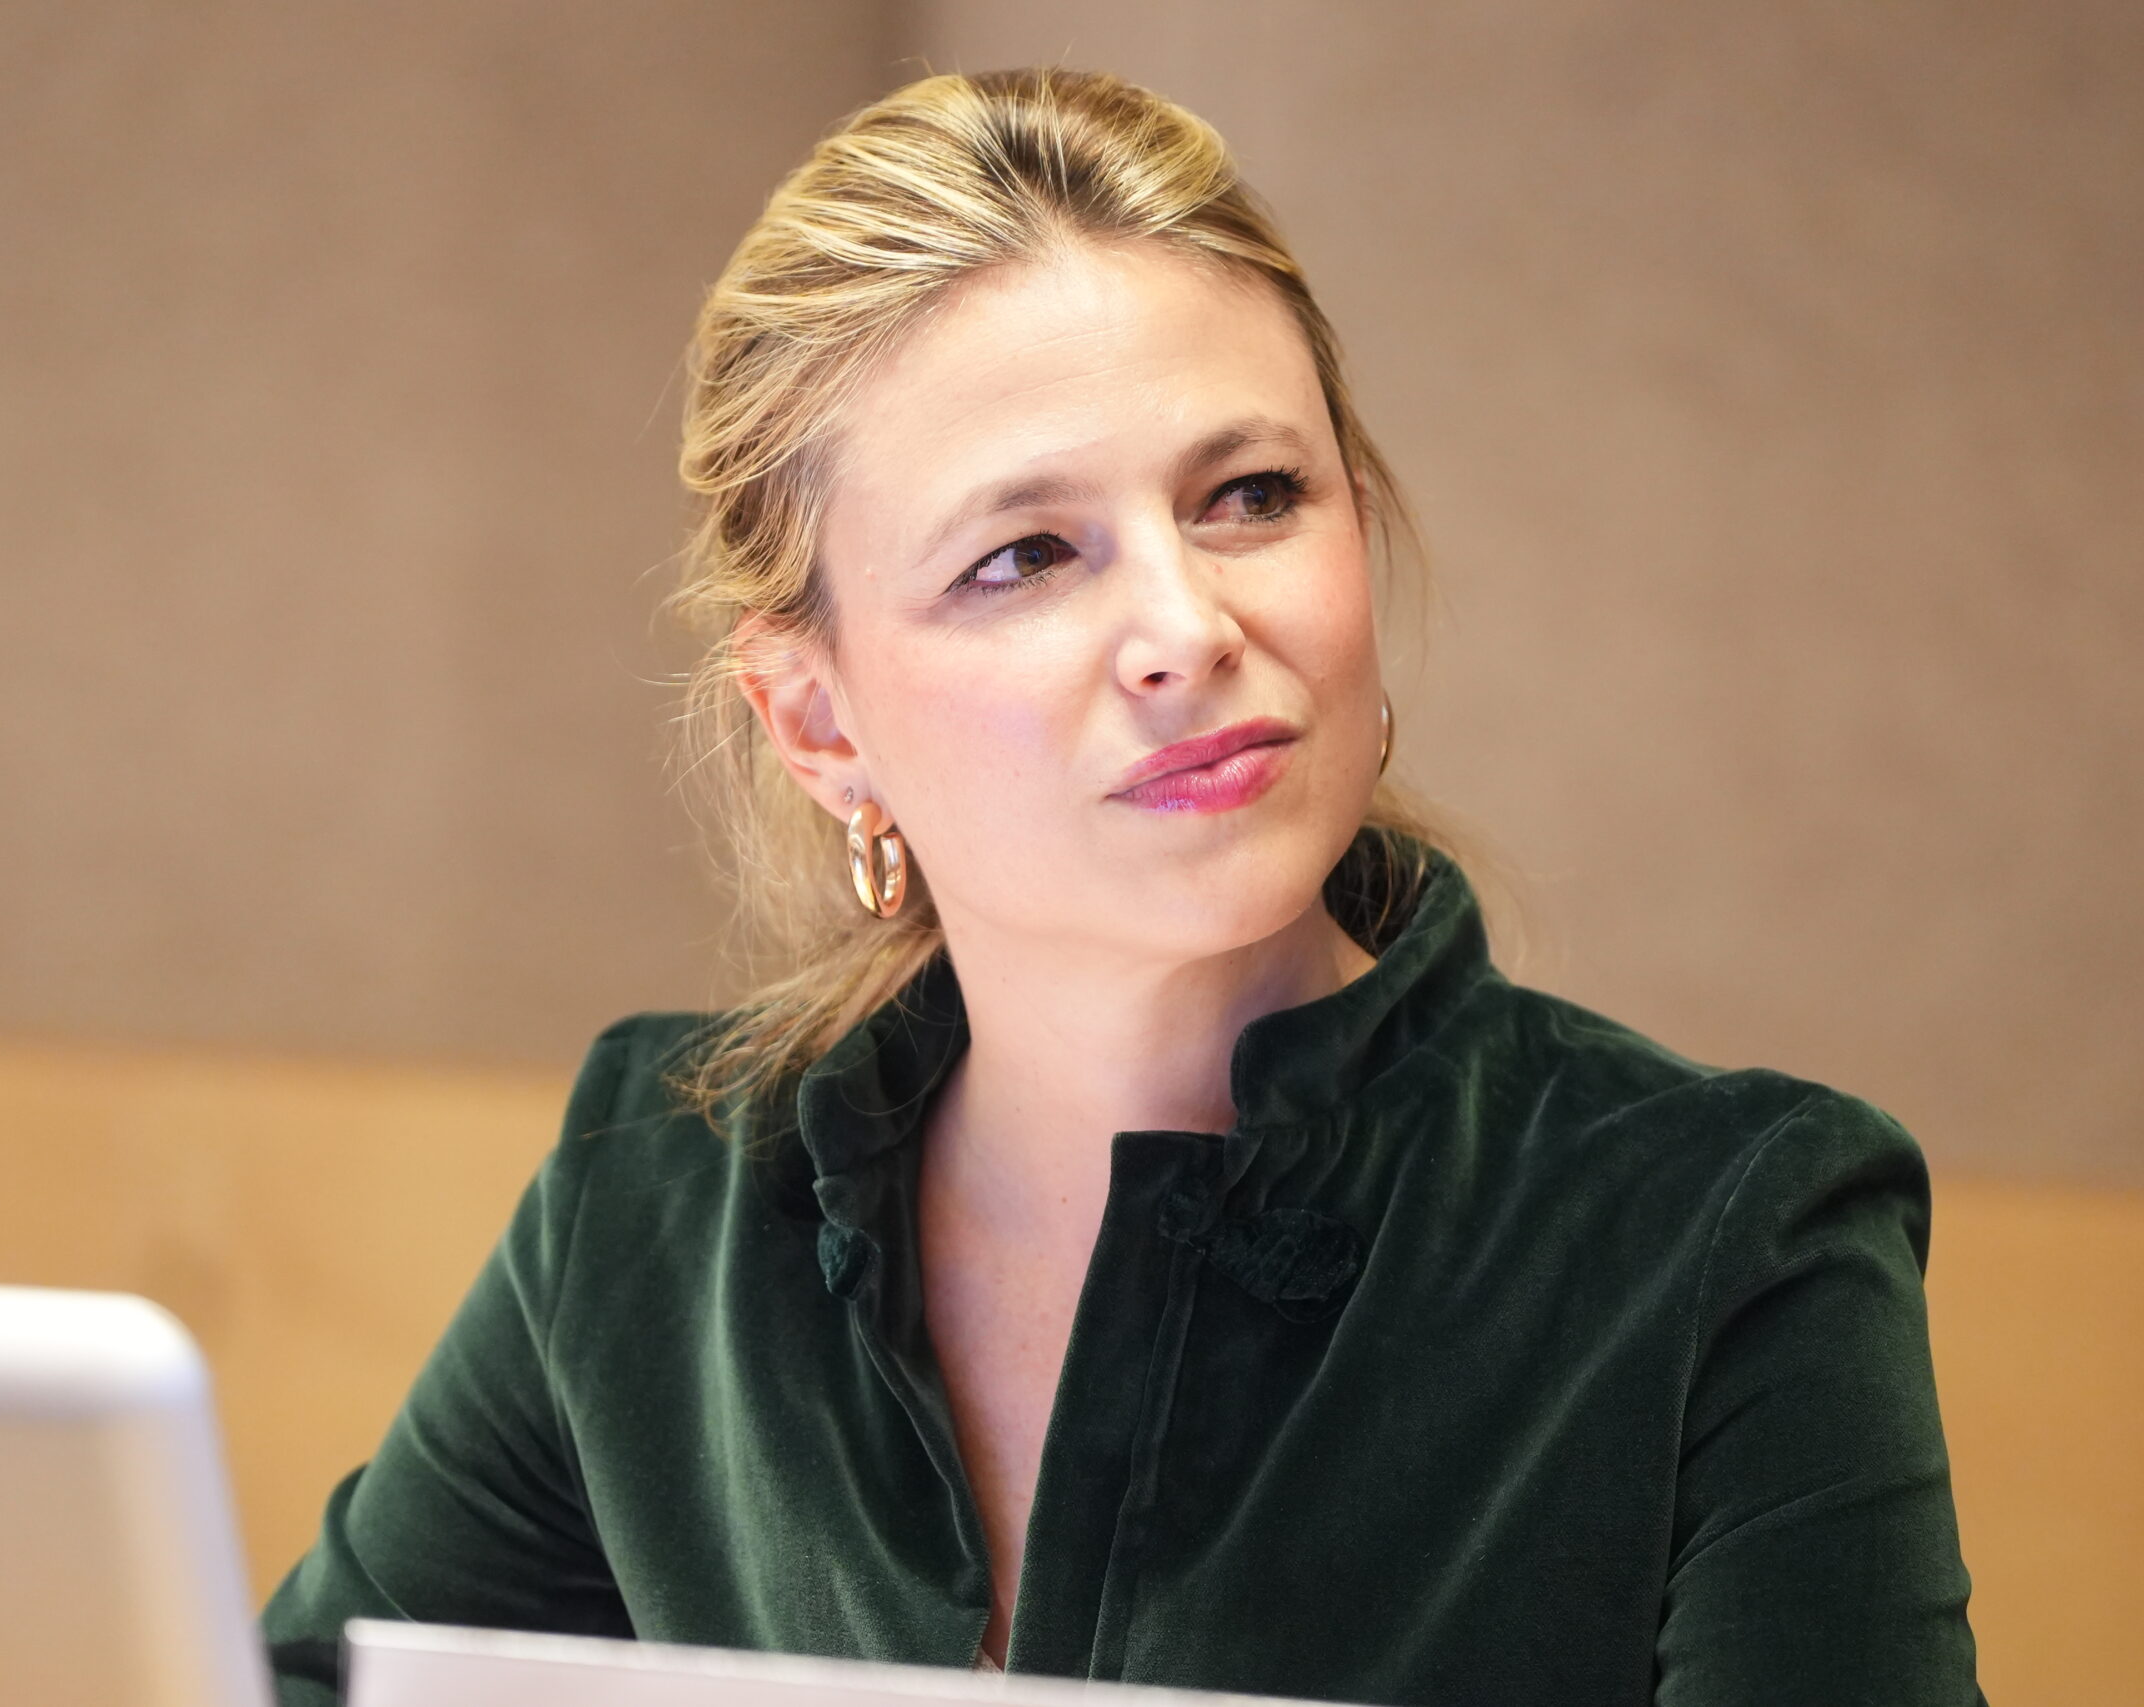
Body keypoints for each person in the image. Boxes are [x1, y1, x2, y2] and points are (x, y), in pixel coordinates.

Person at [263, 69, 1981, 1706]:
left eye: (1252, 496)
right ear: (818, 721)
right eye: (1023, 555)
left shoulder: (1732, 1236)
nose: (1187, 626)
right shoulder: (659, 1198)